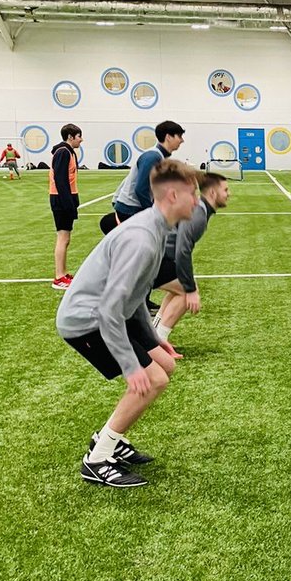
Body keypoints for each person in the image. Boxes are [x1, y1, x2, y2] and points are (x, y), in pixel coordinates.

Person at [56, 159, 199, 488]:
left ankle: (111, 436)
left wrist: (153, 339)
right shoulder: (142, 239)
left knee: (164, 366)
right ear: (173, 196)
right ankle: (97, 459)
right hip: (87, 320)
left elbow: (134, 295)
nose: (198, 201)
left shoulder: (157, 228)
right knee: (152, 380)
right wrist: (130, 365)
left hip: (110, 314)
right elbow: (109, 309)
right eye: (193, 194)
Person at [151, 171, 230, 343]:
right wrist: (191, 289)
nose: (229, 194)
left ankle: (154, 333)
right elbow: (182, 251)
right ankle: (159, 341)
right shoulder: (199, 213)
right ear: (212, 193)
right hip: (154, 258)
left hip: (156, 256)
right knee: (186, 292)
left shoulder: (200, 210)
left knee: (178, 289)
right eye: (225, 190)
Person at [111, 120, 185, 224]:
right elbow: (141, 189)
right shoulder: (152, 157)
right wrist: (153, 213)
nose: (182, 140)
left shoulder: (158, 156)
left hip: (132, 209)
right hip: (131, 210)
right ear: (168, 137)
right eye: (179, 136)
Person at [50, 124, 83, 290]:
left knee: (66, 238)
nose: (81, 139)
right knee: (63, 238)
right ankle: (59, 277)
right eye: (79, 136)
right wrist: (68, 203)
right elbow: (60, 180)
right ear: (71, 136)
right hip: (61, 200)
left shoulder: (68, 151)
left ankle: (63, 273)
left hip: (66, 198)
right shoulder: (63, 152)